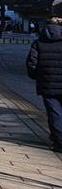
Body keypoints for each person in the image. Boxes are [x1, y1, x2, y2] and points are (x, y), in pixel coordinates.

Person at [26, 15, 62, 151]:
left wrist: (35, 76)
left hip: (47, 83)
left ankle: (59, 140)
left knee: (54, 113)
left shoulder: (38, 43)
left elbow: (32, 63)